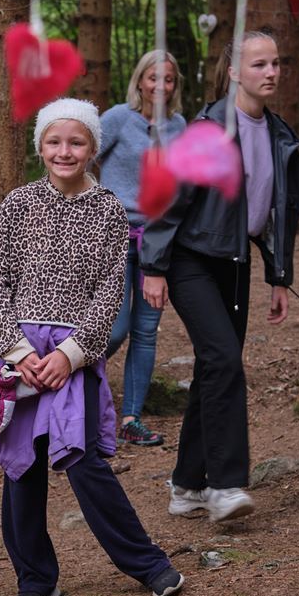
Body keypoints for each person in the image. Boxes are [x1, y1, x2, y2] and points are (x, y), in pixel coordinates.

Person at [0, 97, 185, 596]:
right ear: (41, 146)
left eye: (77, 142)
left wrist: (71, 354)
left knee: (84, 459)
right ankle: (35, 580)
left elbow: (111, 292)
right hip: (20, 350)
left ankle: (148, 564)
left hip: (75, 354)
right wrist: (18, 351)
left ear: (92, 148)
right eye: (54, 141)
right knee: (23, 465)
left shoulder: (108, 210)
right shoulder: (17, 205)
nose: (64, 151)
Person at [140, 31, 299, 523]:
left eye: (276, 63)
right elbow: (167, 198)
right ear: (234, 72)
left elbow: (281, 209)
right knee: (224, 361)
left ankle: (186, 484)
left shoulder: (279, 134)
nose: (271, 72)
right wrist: (153, 267)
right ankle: (226, 484)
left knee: (214, 368)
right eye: (259, 64)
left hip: (237, 263)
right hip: (191, 260)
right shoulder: (209, 130)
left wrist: (279, 276)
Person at [96, 50, 189, 448]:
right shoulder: (119, 117)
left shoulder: (180, 126)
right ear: (140, 81)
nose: (160, 87)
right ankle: (77, 395)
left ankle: (131, 418)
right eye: (153, 78)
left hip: (158, 240)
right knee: (113, 331)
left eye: (168, 80)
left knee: (146, 332)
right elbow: (82, 156)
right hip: (115, 236)